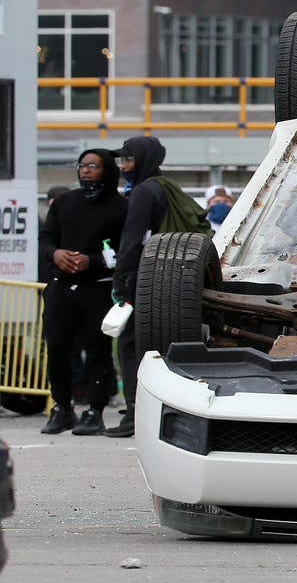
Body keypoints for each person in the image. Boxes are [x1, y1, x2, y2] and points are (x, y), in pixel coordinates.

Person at [37, 150, 126, 435]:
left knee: (97, 350)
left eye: (93, 166)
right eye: (82, 165)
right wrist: (56, 253)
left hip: (98, 288)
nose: (86, 171)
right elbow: (46, 238)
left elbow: (126, 247)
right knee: (58, 347)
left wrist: (94, 260)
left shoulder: (121, 207)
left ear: (107, 171)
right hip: (61, 286)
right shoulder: (64, 202)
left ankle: (94, 411)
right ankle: (62, 407)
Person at [105, 137, 172, 438]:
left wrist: (120, 282)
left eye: (128, 160)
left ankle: (134, 413)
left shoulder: (144, 192)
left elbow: (131, 241)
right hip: (165, 278)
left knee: (130, 345)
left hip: (141, 279)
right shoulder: (163, 186)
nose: (123, 166)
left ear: (143, 160)